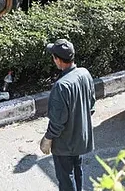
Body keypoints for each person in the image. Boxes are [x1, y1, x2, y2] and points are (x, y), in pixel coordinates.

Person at [40, 39, 96, 191]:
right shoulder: (84, 74)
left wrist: (48, 138)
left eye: (54, 57)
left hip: (65, 144)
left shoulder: (61, 86)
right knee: (77, 172)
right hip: (80, 139)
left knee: (66, 179)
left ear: (58, 60)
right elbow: (91, 106)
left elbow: (57, 122)